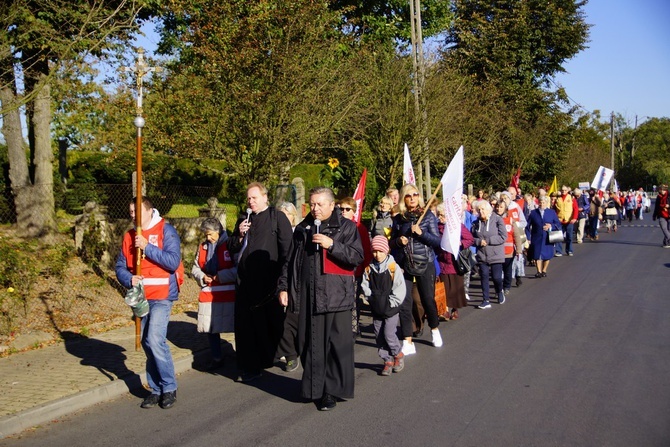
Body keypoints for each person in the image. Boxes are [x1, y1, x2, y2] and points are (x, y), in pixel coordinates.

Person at [278, 186, 363, 411]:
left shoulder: (346, 227)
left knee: (335, 346)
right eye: (312, 204)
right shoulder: (303, 228)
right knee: (309, 343)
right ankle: (314, 387)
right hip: (307, 295)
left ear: (331, 205)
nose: (314, 209)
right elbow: (290, 261)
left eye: (319, 204)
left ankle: (330, 392)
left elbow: (356, 257)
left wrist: (332, 245)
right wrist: (284, 287)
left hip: (336, 297)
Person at [115, 197, 181, 409]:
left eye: (136, 211)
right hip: (142, 299)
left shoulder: (166, 230)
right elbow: (120, 267)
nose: (133, 215)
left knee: (155, 339)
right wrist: (129, 279)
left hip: (162, 295)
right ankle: (156, 389)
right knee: (146, 341)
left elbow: (173, 261)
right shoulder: (129, 236)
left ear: (150, 210)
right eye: (131, 211)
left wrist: (147, 247)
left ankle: (169, 387)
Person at [227, 182, 293, 383]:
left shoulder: (276, 217)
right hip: (245, 283)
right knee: (245, 326)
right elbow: (231, 247)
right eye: (248, 198)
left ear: (265, 197)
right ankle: (249, 365)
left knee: (270, 324)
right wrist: (239, 235)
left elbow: (287, 250)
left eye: (254, 198)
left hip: (269, 282)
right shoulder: (243, 219)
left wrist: (284, 282)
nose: (251, 202)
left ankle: (283, 354)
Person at [390, 183, 443, 354]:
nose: (412, 198)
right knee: (405, 303)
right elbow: (392, 243)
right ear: (403, 199)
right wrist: (399, 241)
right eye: (408, 195)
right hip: (405, 264)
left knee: (427, 299)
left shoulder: (427, 216)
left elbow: (437, 241)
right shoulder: (398, 219)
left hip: (425, 263)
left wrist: (422, 233)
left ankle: (434, 329)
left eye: (415, 195)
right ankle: (408, 341)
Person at [191, 218, 235, 371]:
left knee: (236, 326)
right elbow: (195, 268)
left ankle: (242, 357)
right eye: (205, 235)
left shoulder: (230, 244)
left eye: (210, 234)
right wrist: (202, 276)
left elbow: (239, 269)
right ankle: (217, 357)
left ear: (218, 231)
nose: (207, 238)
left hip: (230, 294)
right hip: (209, 293)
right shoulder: (203, 247)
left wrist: (221, 276)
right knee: (211, 329)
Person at [360, 236, 407, 376]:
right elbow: (365, 285)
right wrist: (370, 298)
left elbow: (400, 288)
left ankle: (397, 354)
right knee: (378, 335)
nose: (377, 254)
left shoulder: (393, 268)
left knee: (388, 333)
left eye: (380, 251)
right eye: (374, 251)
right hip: (376, 307)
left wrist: (392, 302)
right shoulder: (369, 268)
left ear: (386, 251)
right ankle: (387, 360)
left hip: (391, 308)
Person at [336, 197, 373, 338]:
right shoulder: (335, 226)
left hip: (355, 271)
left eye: (347, 209)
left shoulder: (359, 228)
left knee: (353, 301)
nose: (344, 212)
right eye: (341, 209)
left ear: (354, 211)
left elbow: (365, 250)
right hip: (339, 271)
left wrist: (367, 268)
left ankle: (353, 329)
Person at [435, 203, 474, 320]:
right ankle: (444, 310)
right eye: (439, 215)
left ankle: (455, 308)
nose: (440, 218)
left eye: (443, 215)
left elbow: (470, 239)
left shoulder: (457, 226)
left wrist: (460, 244)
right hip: (441, 261)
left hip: (455, 262)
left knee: (455, 288)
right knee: (444, 287)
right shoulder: (436, 227)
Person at [275, 201, 301, 372]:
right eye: (280, 215)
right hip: (275, 278)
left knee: (290, 321)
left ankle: (292, 354)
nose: (283, 218)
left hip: (292, 281)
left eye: (287, 214)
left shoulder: (298, 234)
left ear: (293, 217)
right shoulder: (271, 233)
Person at [471, 201, 507, 309]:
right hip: (482, 255)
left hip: (496, 254)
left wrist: (488, 240)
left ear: (488, 210)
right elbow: (471, 238)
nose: (481, 212)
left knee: (496, 277)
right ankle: (485, 300)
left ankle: (499, 290)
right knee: (484, 276)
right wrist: (478, 242)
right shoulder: (476, 223)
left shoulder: (497, 220)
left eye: (483, 209)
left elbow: (503, 236)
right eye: (479, 210)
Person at [528, 196, 561, 277]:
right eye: (540, 202)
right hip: (536, 237)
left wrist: (551, 226)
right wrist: (528, 237)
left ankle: (544, 270)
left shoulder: (551, 212)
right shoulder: (533, 213)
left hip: (548, 237)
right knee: (537, 254)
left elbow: (558, 224)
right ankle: (538, 271)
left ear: (546, 203)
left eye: (543, 202)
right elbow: (527, 226)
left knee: (547, 255)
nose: (542, 204)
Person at [554, 185, 578, 256]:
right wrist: (555, 219)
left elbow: (575, 209)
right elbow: (555, 210)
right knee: (558, 237)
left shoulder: (571, 198)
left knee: (569, 236)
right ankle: (558, 251)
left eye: (565, 190)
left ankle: (569, 250)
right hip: (560, 220)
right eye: (562, 190)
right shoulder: (558, 199)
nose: (563, 192)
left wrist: (574, 218)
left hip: (569, 220)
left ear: (567, 191)